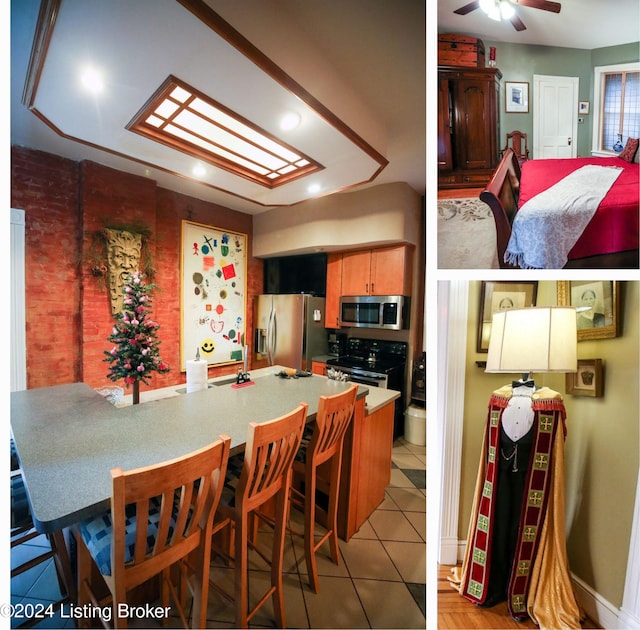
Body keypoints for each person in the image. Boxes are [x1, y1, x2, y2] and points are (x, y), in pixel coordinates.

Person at [456, 383, 581, 628]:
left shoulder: (550, 403)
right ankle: (492, 586)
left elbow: (554, 449)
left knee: (521, 530)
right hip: (499, 476)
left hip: (532, 476)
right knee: (498, 528)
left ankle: (521, 591)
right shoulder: (499, 399)